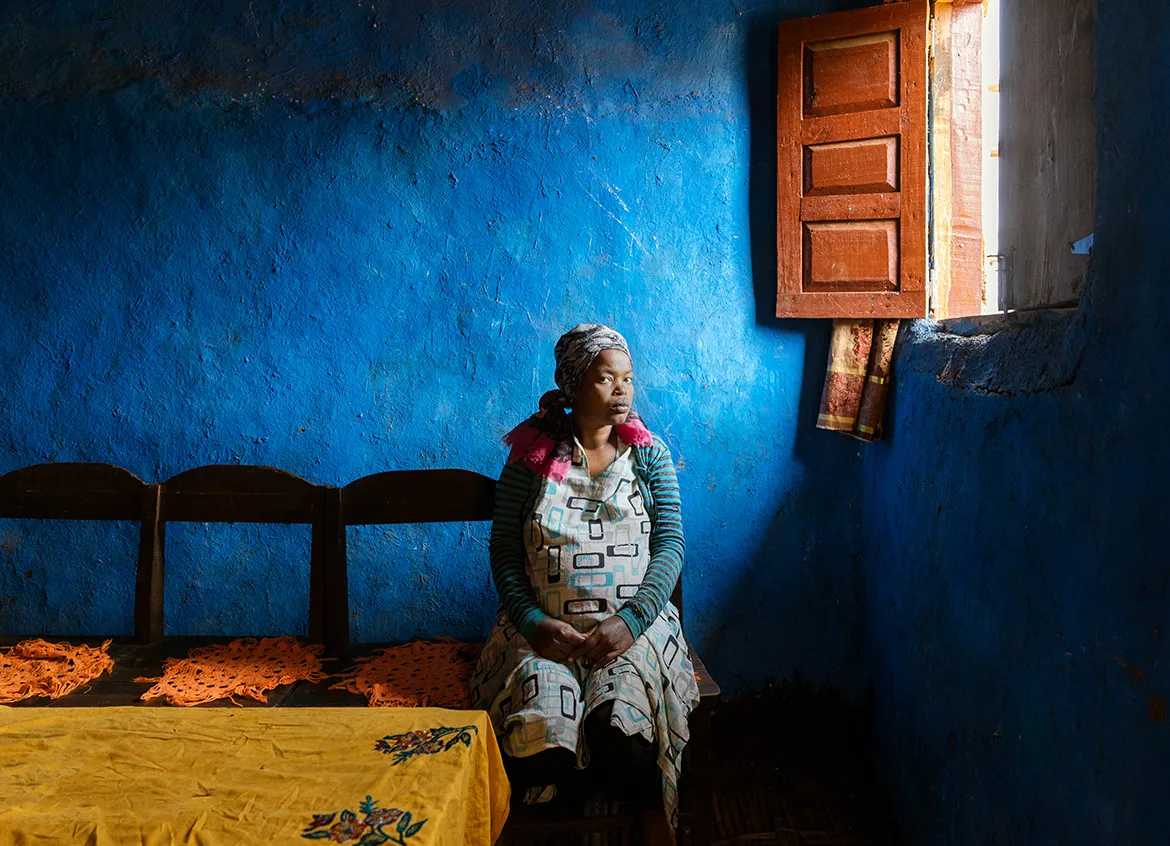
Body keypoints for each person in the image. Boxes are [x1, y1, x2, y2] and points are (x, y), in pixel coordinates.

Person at [469, 324, 699, 846]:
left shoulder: (649, 455)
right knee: (541, 744)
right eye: (605, 378)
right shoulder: (530, 460)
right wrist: (533, 622)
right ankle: (563, 788)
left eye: (628, 378)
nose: (622, 390)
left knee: (622, 735)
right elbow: (505, 551)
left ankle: (622, 795)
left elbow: (670, 548)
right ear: (574, 386)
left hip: (630, 635)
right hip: (543, 638)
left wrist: (630, 621)